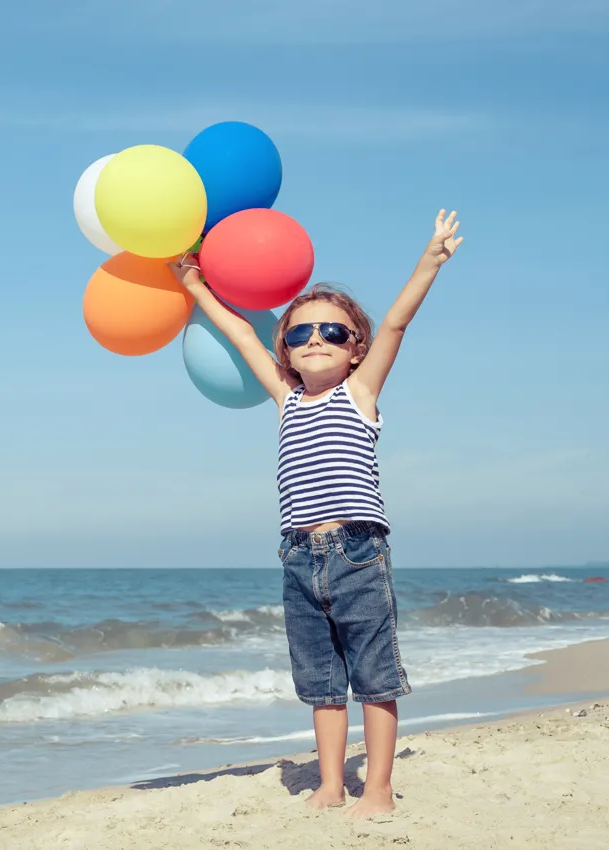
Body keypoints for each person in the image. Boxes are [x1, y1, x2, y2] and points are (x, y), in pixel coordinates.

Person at [170, 210, 464, 818]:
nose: (314, 341)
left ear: (356, 350)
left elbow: (397, 323)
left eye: (332, 332)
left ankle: (377, 787)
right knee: (321, 683)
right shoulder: (284, 399)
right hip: (298, 556)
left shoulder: (360, 395)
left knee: (375, 678)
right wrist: (195, 287)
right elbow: (243, 337)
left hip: (357, 551)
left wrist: (428, 261)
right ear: (288, 350)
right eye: (300, 334)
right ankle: (331, 783)